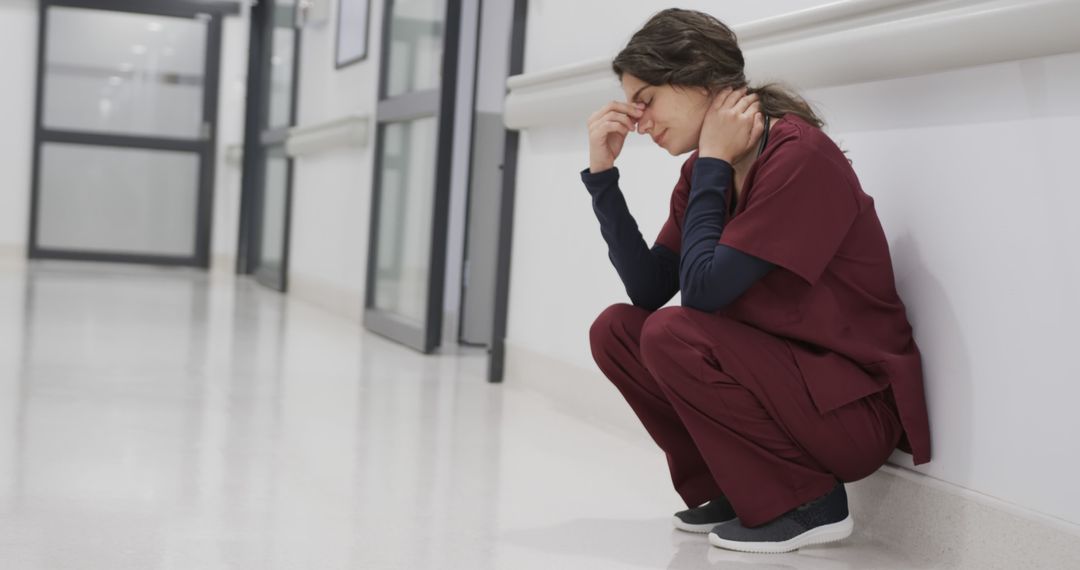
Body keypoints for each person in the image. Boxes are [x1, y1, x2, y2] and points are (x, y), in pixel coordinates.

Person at [583, 8, 931, 554]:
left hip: (851, 415)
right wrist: (603, 178)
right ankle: (738, 487)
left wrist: (716, 161)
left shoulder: (798, 157)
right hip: (795, 392)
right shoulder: (705, 171)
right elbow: (649, 290)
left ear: (699, 77)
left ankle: (807, 501)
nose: (639, 120)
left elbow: (700, 293)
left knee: (673, 333)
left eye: (646, 99)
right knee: (617, 331)